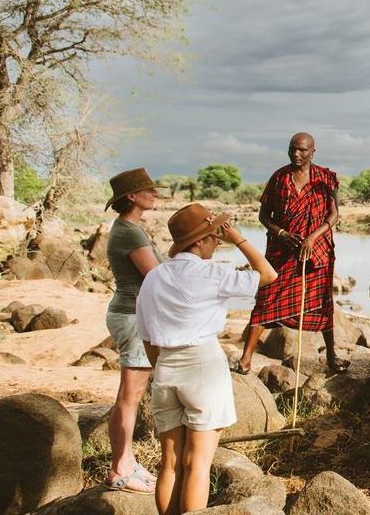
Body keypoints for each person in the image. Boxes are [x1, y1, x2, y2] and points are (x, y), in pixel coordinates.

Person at [136, 203, 277, 515]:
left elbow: (147, 338)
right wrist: (239, 238)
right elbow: (267, 274)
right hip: (202, 367)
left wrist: (162, 368)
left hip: (166, 369)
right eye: (215, 235)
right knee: (197, 464)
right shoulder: (212, 274)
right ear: (198, 241)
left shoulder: (153, 279)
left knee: (170, 463)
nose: (219, 241)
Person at [234, 132, 346, 374]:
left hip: (317, 253)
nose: (296, 154)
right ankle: (245, 361)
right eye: (292, 149)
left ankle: (331, 356)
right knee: (265, 301)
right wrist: (282, 233)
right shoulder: (279, 178)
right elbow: (263, 216)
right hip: (281, 253)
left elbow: (333, 215)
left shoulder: (325, 179)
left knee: (322, 303)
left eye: (302, 150)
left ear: (312, 152)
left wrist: (312, 238)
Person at [102, 167, 162, 494]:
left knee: (130, 397)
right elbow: (156, 276)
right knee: (129, 397)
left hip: (130, 313)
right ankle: (120, 470)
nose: (155, 194)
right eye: (148, 190)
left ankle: (127, 461)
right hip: (133, 316)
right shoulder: (130, 232)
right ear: (131, 197)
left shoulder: (129, 227)